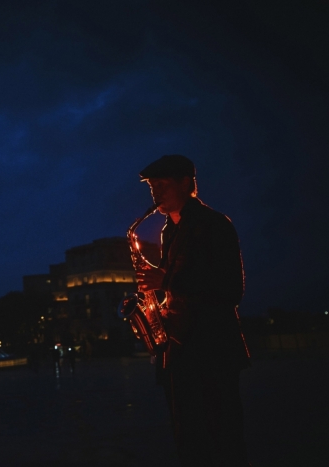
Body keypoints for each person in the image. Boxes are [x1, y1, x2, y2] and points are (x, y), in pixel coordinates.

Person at [135, 154, 250, 467]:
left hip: (211, 350)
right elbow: (182, 288)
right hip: (179, 352)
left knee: (223, 440)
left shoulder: (214, 224)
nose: (154, 192)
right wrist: (156, 302)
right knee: (189, 440)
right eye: (151, 187)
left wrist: (166, 278)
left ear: (186, 184)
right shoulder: (168, 231)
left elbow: (230, 289)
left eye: (161, 185)